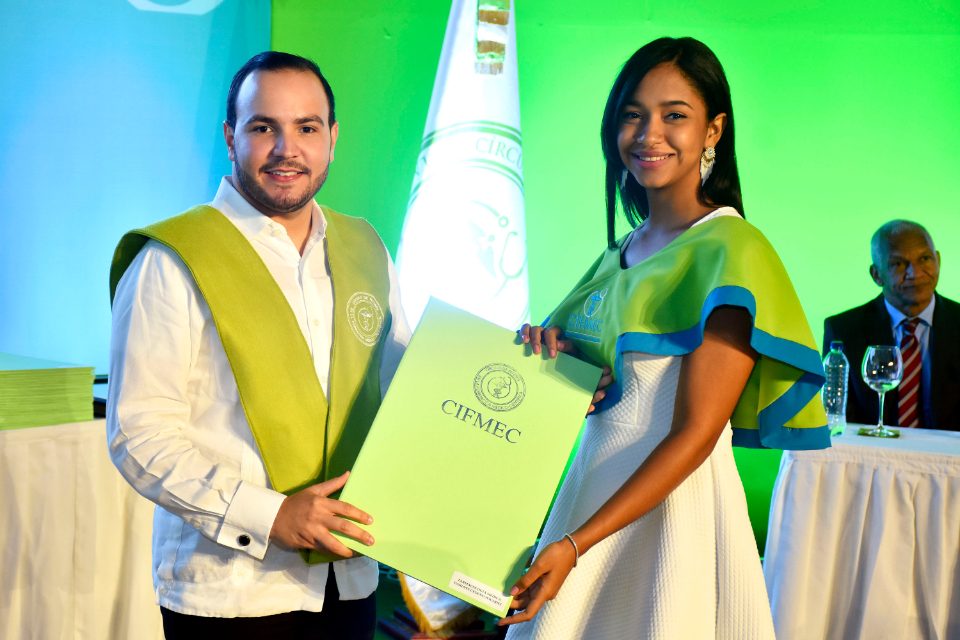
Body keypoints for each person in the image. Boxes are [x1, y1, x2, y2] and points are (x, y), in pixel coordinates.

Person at [500, 37, 829, 638]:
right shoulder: (618, 252)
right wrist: (550, 359)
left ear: (713, 130)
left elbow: (696, 434)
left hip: (668, 515)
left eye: (674, 115)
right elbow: (600, 387)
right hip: (588, 499)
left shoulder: (731, 251)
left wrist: (576, 545)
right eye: (633, 114)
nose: (649, 134)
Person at [106, 51, 410, 638]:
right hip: (232, 593)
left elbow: (408, 394)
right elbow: (138, 434)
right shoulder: (170, 260)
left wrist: (542, 375)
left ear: (333, 138)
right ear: (231, 137)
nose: (286, 149)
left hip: (351, 579)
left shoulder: (366, 247)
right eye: (264, 127)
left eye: (307, 128)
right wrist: (271, 515)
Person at [823, 220, 960, 430]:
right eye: (898, 264)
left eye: (925, 259)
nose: (915, 273)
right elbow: (839, 420)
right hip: (870, 450)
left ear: (938, 261)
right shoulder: (843, 330)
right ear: (876, 275)